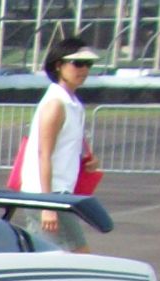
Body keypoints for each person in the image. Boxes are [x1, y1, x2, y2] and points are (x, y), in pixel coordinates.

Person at [20, 37, 100, 253]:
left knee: (54, 259)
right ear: (58, 65)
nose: (84, 69)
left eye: (88, 64)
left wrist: (86, 162)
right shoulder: (56, 104)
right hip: (47, 196)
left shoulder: (72, 103)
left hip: (59, 193)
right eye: (77, 63)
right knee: (77, 257)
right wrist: (47, 206)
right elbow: (43, 155)